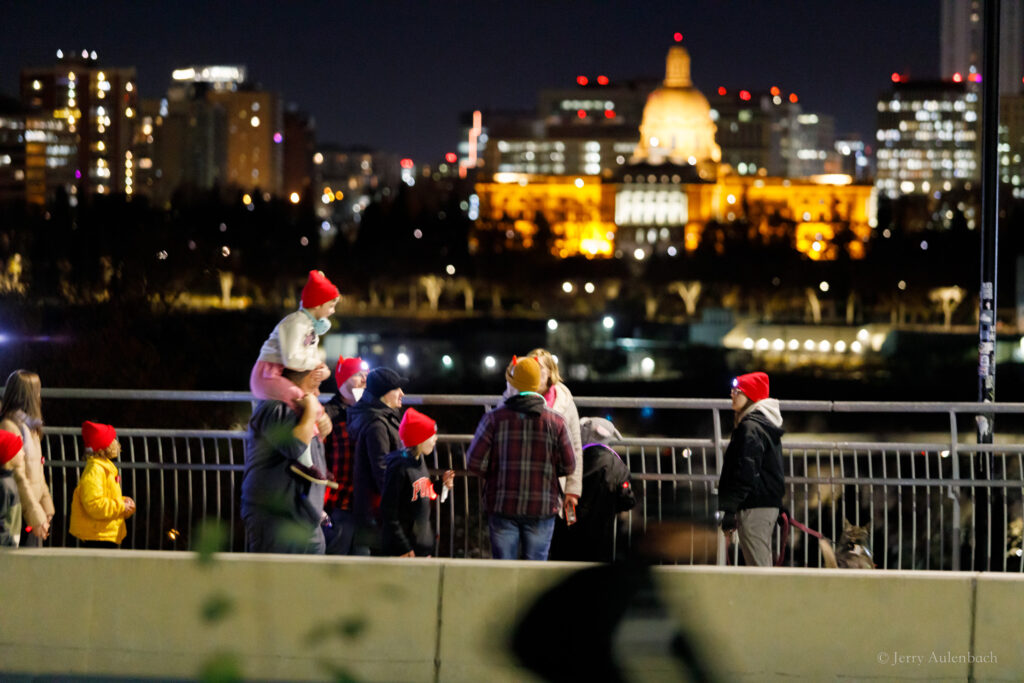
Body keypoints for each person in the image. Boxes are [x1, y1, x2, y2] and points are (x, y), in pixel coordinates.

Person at [466, 356, 576, 560]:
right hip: (542, 507)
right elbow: (569, 465)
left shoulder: (494, 419)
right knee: (535, 572)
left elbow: (474, 462)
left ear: (513, 384)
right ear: (537, 384)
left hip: (501, 504)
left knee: (503, 570)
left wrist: (495, 473)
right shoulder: (556, 422)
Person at [241, 367, 333, 554]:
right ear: (299, 380)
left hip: (305, 517)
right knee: (273, 581)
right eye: (315, 386)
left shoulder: (302, 410)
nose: (318, 394)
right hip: (275, 518)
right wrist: (310, 412)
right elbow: (294, 446)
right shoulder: (274, 406)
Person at [716, 371, 785, 567]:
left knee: (760, 569)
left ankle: (768, 599)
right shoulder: (762, 424)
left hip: (755, 506)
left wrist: (730, 509)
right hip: (762, 504)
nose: (732, 394)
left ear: (751, 396)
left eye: (737, 391)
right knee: (760, 564)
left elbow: (745, 471)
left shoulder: (750, 428)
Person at [549, 417, 636, 562]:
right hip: (602, 533)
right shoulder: (618, 465)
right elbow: (627, 500)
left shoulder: (573, 459)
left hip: (569, 529)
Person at [250, 270, 340, 410]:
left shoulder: (309, 326)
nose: (333, 311)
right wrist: (316, 364)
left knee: (310, 400)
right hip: (268, 375)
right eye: (331, 306)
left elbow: (310, 356)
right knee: (301, 400)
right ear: (318, 305)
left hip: (288, 375)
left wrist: (321, 370)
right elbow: (291, 359)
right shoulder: (296, 324)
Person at [346, 366, 406, 554]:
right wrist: (400, 504)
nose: (402, 393)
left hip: (375, 513)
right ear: (383, 393)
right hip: (379, 515)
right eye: (397, 389)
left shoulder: (380, 417)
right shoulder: (377, 425)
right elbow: (382, 471)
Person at [380, 408, 454, 557]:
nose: (436, 439)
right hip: (407, 550)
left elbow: (420, 493)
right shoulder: (399, 467)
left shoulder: (419, 460)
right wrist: (403, 547)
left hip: (421, 547)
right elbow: (389, 512)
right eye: (431, 435)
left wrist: (440, 486)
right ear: (419, 439)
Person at [526, 348, 582, 529]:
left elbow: (575, 447)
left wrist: (573, 489)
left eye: (540, 368)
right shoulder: (515, 398)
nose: (535, 373)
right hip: (524, 481)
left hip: (554, 484)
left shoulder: (565, 403)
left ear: (550, 371)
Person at [0, 369, 53, 546]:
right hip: (19, 513)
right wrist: (36, 515)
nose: (39, 395)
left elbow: (38, 470)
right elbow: (19, 476)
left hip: (31, 512)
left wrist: (46, 506)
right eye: (37, 391)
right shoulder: (10, 426)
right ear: (28, 395)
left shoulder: (30, 427)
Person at [322, 356, 366, 555]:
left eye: (366, 375)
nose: (364, 380)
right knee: (336, 556)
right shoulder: (328, 413)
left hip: (365, 502)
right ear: (344, 379)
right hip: (339, 501)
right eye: (358, 375)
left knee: (363, 557)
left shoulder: (368, 410)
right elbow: (317, 453)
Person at [69, 421, 137, 549]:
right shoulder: (95, 470)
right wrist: (121, 506)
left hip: (103, 532)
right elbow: (94, 504)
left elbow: (103, 499)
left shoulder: (103, 468)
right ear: (105, 446)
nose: (117, 444)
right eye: (113, 440)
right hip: (98, 535)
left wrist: (124, 503)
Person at [0, 430, 24, 547]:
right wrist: (8, 542)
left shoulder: (9, 481)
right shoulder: (4, 485)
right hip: (5, 549)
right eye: (19, 450)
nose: (23, 454)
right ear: (9, 455)